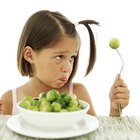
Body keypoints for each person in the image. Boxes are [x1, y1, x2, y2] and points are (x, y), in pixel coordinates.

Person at [0, 10, 129, 116]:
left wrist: (115, 109)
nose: (68, 68)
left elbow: (96, 134)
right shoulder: (10, 100)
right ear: (29, 55)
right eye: (59, 57)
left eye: (72, 57)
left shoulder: (78, 94)